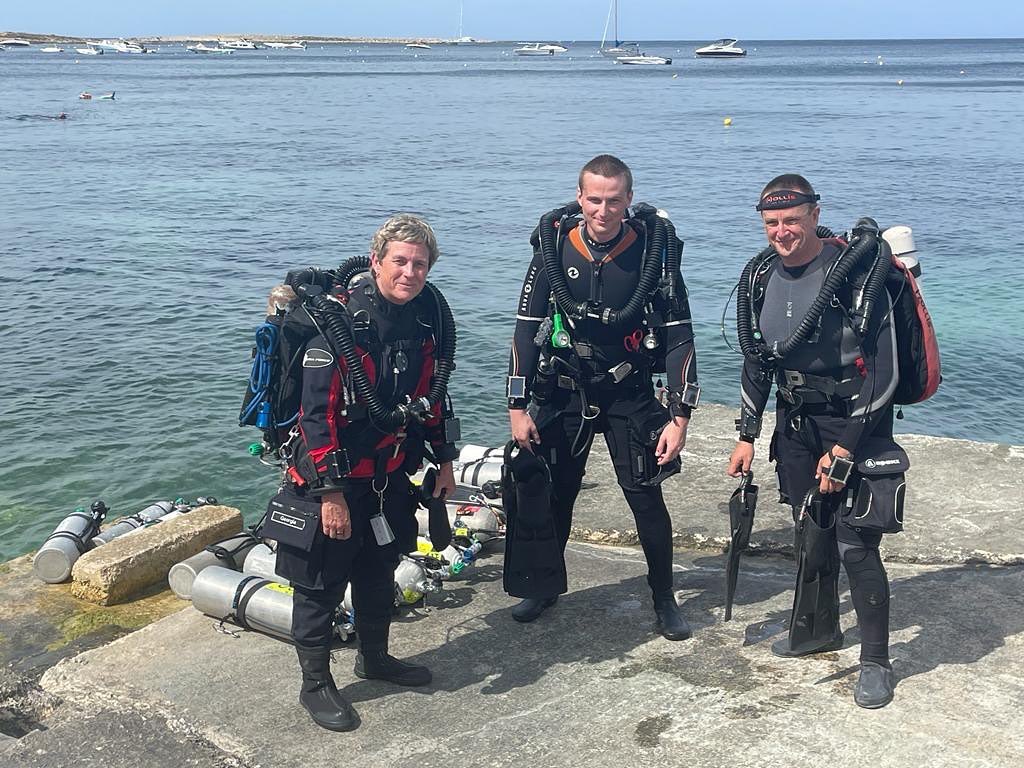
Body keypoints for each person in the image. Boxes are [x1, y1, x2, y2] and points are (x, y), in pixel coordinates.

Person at [273, 214, 459, 731]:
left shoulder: (426, 321)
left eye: (420, 263)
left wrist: (443, 461)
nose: (410, 271)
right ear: (375, 262)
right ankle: (315, 684)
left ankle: (373, 658)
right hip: (332, 481)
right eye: (399, 260)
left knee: (379, 571)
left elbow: (434, 395)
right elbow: (317, 416)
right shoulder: (341, 322)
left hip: (388, 477)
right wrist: (329, 493)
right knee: (319, 586)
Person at [506, 154, 701, 639]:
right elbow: (526, 331)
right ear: (579, 198)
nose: (603, 210)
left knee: (645, 497)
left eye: (614, 200)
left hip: (627, 392)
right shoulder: (553, 246)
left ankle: (663, 597)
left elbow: (680, 337)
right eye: (594, 199)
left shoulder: (654, 253)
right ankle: (547, 585)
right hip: (565, 389)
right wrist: (516, 406)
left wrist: (680, 416)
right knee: (558, 493)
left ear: (629, 200)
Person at [727, 174, 900, 708]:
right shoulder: (759, 276)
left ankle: (876, 663)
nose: (782, 232)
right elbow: (757, 360)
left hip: (856, 420)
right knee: (811, 527)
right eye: (772, 223)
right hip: (796, 422)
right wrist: (747, 435)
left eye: (793, 221)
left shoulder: (855, 276)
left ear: (814, 213)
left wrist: (846, 448)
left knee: (855, 542)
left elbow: (885, 375)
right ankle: (819, 630)